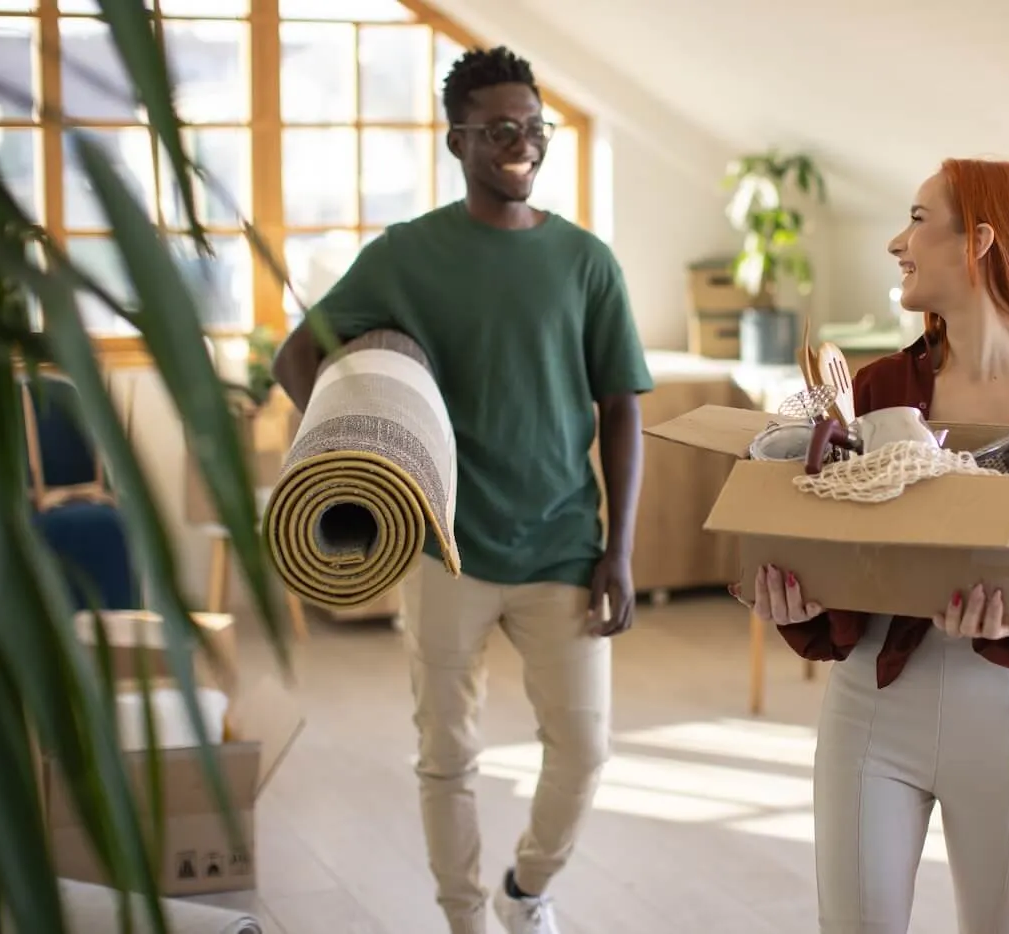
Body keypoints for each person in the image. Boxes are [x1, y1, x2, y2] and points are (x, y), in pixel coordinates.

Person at [271, 45, 653, 934]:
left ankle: (525, 892)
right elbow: (299, 356)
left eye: (532, 127)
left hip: (565, 544)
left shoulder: (586, 262)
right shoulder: (408, 255)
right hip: (444, 547)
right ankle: (464, 920)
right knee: (448, 754)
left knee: (586, 748)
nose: (519, 143)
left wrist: (621, 551)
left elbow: (622, 411)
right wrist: (353, 443)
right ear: (458, 141)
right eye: (498, 130)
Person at [749, 158, 1009, 934]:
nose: (899, 241)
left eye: (919, 220)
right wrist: (797, 602)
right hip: (871, 702)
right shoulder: (879, 386)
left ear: (981, 242)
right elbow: (850, 547)